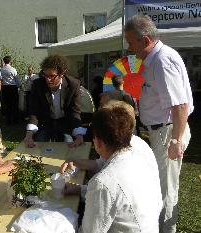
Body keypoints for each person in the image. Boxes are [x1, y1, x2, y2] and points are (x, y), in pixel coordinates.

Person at [125, 15, 194, 233]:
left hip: (169, 132)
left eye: (131, 42)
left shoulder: (162, 60)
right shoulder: (155, 59)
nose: (129, 47)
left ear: (145, 41)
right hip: (163, 131)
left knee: (166, 189)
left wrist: (175, 140)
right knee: (158, 186)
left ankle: (166, 230)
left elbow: (180, 105)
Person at [72, 101, 162, 233]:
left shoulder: (103, 182)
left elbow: (90, 230)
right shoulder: (138, 148)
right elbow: (115, 195)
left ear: (99, 142)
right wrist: (79, 190)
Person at [23, 55, 85, 148]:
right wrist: (29, 134)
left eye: (52, 76)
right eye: (45, 75)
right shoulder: (37, 85)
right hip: (45, 122)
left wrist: (79, 135)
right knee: (38, 146)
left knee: (68, 145)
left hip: (65, 122)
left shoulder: (73, 84)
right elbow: (34, 110)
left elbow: (75, 112)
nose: (48, 79)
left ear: (62, 73)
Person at [0, 55, 20, 124]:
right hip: (12, 87)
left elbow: (0, 78)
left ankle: (8, 120)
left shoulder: (1, 69)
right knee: (14, 104)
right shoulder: (12, 69)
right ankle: (15, 120)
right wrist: (19, 86)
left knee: (7, 104)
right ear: (10, 61)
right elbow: (16, 79)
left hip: (5, 87)